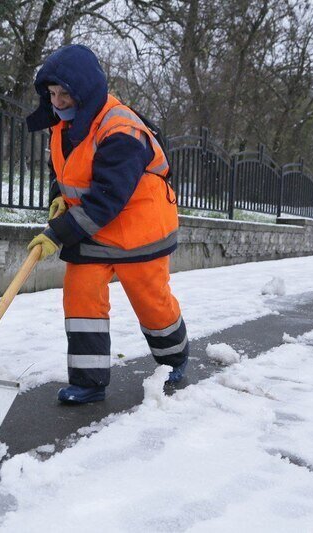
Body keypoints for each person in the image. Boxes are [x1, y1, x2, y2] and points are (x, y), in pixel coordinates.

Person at [24, 44, 190, 404]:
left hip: (138, 231)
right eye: (52, 94)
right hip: (92, 230)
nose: (58, 101)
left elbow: (107, 199)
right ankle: (88, 382)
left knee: (152, 303)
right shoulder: (65, 125)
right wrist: (58, 195)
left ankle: (174, 359)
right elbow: (66, 170)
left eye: (65, 93)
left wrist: (58, 233)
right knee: (81, 301)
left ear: (84, 90)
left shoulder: (121, 130)